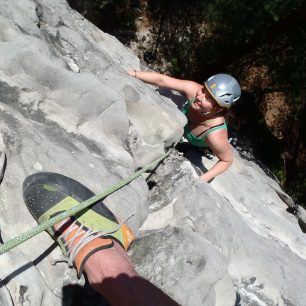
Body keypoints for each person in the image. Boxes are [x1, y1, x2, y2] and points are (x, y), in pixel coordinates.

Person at [127, 70, 241, 182]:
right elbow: (162, 80)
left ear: (218, 109)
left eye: (208, 98)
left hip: (197, 145)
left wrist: (203, 179)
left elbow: (226, 160)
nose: (200, 96)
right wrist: (134, 74)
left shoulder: (214, 134)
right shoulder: (194, 90)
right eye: (203, 90)